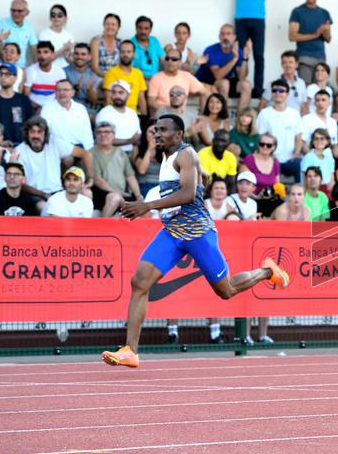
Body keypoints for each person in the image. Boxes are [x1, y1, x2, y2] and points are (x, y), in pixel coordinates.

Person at [101, 114, 290, 368]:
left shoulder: (186, 153)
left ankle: (268, 271)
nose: (156, 134)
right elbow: (199, 180)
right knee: (139, 282)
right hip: (172, 232)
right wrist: (204, 179)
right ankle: (130, 350)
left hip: (197, 233)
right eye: (155, 130)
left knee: (226, 291)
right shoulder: (167, 156)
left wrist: (148, 205)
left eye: (162, 130)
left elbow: (188, 194)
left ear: (178, 134)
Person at [221, 0, 273, 99]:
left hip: (258, 19)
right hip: (241, 19)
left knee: (258, 55)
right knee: (239, 53)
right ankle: (238, 86)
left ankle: (257, 89)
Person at [90, 122, 141, 217]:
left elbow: (130, 176)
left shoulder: (120, 152)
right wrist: (117, 194)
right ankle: (102, 228)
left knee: (143, 208)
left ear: (114, 135)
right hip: (100, 194)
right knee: (115, 198)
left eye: (107, 132)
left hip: (122, 194)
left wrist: (138, 196)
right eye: (99, 132)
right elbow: (97, 180)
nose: (103, 135)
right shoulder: (90, 153)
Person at [257, 78, 303, 179]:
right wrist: (268, 155)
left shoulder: (294, 114)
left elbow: (299, 137)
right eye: (274, 91)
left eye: (281, 91)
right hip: (270, 158)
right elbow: (261, 138)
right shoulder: (264, 113)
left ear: (287, 94)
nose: (278, 93)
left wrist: (296, 154)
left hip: (290, 159)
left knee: (301, 165)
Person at [288, 0, 332, 84]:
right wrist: (315, 34)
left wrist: (324, 30)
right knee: (305, 90)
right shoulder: (297, 11)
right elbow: (292, 36)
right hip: (304, 57)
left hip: (321, 58)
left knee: (318, 91)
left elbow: (328, 39)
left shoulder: (325, 13)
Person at [40, 79, 93, 152]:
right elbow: (44, 131)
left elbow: (87, 133)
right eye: (58, 90)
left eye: (65, 90)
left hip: (79, 147)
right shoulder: (48, 108)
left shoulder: (80, 108)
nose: (61, 93)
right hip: (59, 149)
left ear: (73, 93)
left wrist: (89, 151)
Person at [148, 45, 207, 110]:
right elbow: (151, 101)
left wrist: (203, 114)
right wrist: (169, 110)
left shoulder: (186, 76)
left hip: (181, 114)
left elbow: (204, 92)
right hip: (163, 114)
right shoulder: (156, 77)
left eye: (174, 59)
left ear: (180, 62)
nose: (170, 61)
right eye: (167, 58)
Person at [101, 40, 147, 114]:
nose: (125, 54)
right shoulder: (111, 73)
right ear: (119, 54)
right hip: (116, 112)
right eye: (123, 52)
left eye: (129, 52)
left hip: (134, 114)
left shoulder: (138, 73)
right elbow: (107, 99)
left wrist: (145, 118)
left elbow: (141, 99)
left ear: (134, 54)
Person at [94, 81, 141, 152]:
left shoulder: (132, 113)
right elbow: (103, 139)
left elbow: (137, 136)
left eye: (121, 92)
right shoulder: (104, 113)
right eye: (114, 92)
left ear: (128, 95)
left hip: (132, 153)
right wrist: (129, 141)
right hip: (111, 154)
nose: (117, 96)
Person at [0, 0, 37, 67]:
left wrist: (39, 68)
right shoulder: (1, 24)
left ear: (27, 12)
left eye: (19, 11)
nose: (15, 13)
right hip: (4, 68)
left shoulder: (28, 26)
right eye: (13, 10)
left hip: (21, 67)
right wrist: (0, 41)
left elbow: (34, 49)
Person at [24, 41, 66, 109]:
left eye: (45, 52)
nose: (42, 56)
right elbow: (26, 95)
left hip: (53, 108)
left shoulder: (60, 72)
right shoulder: (30, 70)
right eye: (39, 52)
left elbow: (62, 94)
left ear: (52, 55)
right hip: (34, 108)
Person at [64, 43, 101, 111]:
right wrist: (76, 88)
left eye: (83, 54)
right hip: (69, 109)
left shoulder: (93, 75)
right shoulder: (64, 72)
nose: (79, 57)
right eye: (76, 53)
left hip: (89, 110)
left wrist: (89, 89)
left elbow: (93, 102)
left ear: (89, 57)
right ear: (73, 55)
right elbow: (61, 96)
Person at [89, 13, 122, 77]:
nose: (110, 27)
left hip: (117, 78)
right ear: (103, 25)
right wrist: (108, 77)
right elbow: (94, 67)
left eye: (113, 24)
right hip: (99, 77)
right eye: (107, 24)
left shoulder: (121, 43)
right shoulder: (96, 41)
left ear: (118, 27)